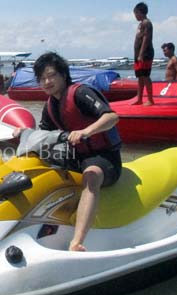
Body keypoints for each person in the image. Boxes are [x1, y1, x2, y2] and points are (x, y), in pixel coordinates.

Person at [32, 52, 122, 251]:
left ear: (63, 75)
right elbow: (43, 137)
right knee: (34, 162)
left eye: (51, 75)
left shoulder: (81, 93)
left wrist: (86, 131)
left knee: (91, 176)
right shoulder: (50, 107)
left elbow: (112, 117)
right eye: (42, 78)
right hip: (75, 157)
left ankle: (77, 241)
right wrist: (22, 137)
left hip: (103, 158)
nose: (47, 81)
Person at [132, 2, 155, 106]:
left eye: (136, 13)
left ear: (140, 12)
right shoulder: (141, 23)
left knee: (145, 75)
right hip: (138, 54)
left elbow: (146, 39)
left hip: (145, 54)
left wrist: (141, 54)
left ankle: (150, 99)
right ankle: (139, 99)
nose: (135, 16)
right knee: (140, 76)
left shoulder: (146, 23)